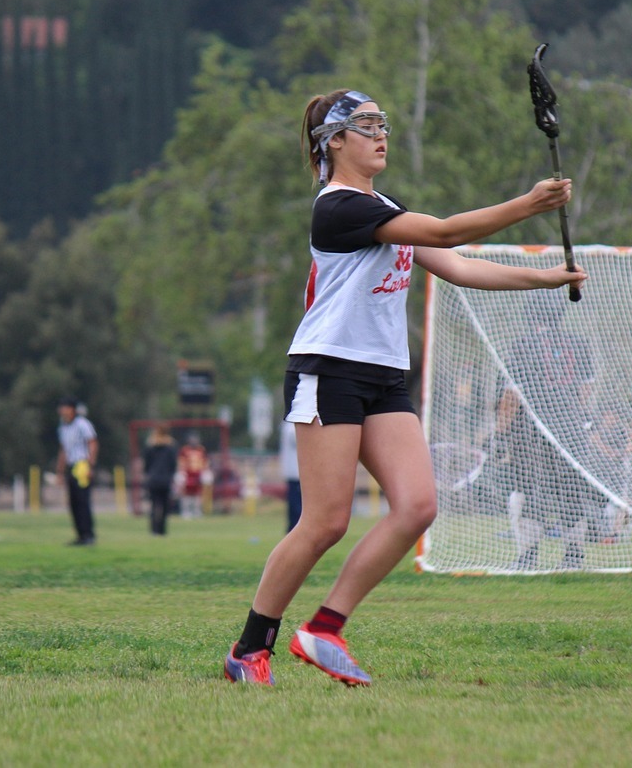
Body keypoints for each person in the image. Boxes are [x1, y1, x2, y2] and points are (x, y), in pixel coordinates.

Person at [223, 88, 584, 687]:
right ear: (334, 141)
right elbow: (445, 232)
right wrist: (529, 205)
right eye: (366, 126)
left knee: (417, 505)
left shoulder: (385, 207)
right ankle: (249, 648)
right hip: (330, 368)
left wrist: (544, 278)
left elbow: (458, 265)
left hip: (384, 374)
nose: (381, 135)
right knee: (325, 522)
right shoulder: (338, 208)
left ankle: (325, 630)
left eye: (382, 124)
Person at [495, 288, 596, 569]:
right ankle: (573, 555)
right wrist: (576, 418)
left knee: (528, 489)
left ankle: (528, 556)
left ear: (530, 313)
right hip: (570, 429)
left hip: (532, 429)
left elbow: (511, 395)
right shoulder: (579, 344)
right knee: (570, 490)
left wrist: (500, 433)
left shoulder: (522, 345)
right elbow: (586, 390)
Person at [55, 398, 99, 546]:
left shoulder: (82, 424)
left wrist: (91, 466)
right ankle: (80, 535)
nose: (62, 410)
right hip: (71, 465)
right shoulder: (62, 427)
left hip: (82, 465)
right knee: (73, 502)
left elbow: (92, 443)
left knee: (83, 501)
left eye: (65, 407)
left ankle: (88, 535)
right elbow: (63, 450)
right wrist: (60, 472)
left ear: (72, 409)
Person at [141, 424, 178, 536]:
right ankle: (162, 530)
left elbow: (146, 464)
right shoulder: (171, 446)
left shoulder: (150, 446)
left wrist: (148, 474)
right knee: (165, 505)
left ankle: (154, 530)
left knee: (154, 505)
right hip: (166, 479)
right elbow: (173, 464)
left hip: (153, 479)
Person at [175, 432, 212, 518]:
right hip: (187, 474)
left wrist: (205, 471)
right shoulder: (184, 450)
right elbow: (180, 462)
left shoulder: (201, 449)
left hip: (198, 474)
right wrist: (181, 472)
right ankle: (186, 511)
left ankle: (197, 510)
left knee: (198, 493)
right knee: (186, 493)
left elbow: (205, 462)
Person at [279, 419, 302, 532]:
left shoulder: (288, 424)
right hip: (297, 473)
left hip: (295, 473)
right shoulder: (292, 425)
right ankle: (295, 531)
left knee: (295, 507)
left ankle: (293, 531)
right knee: (297, 508)